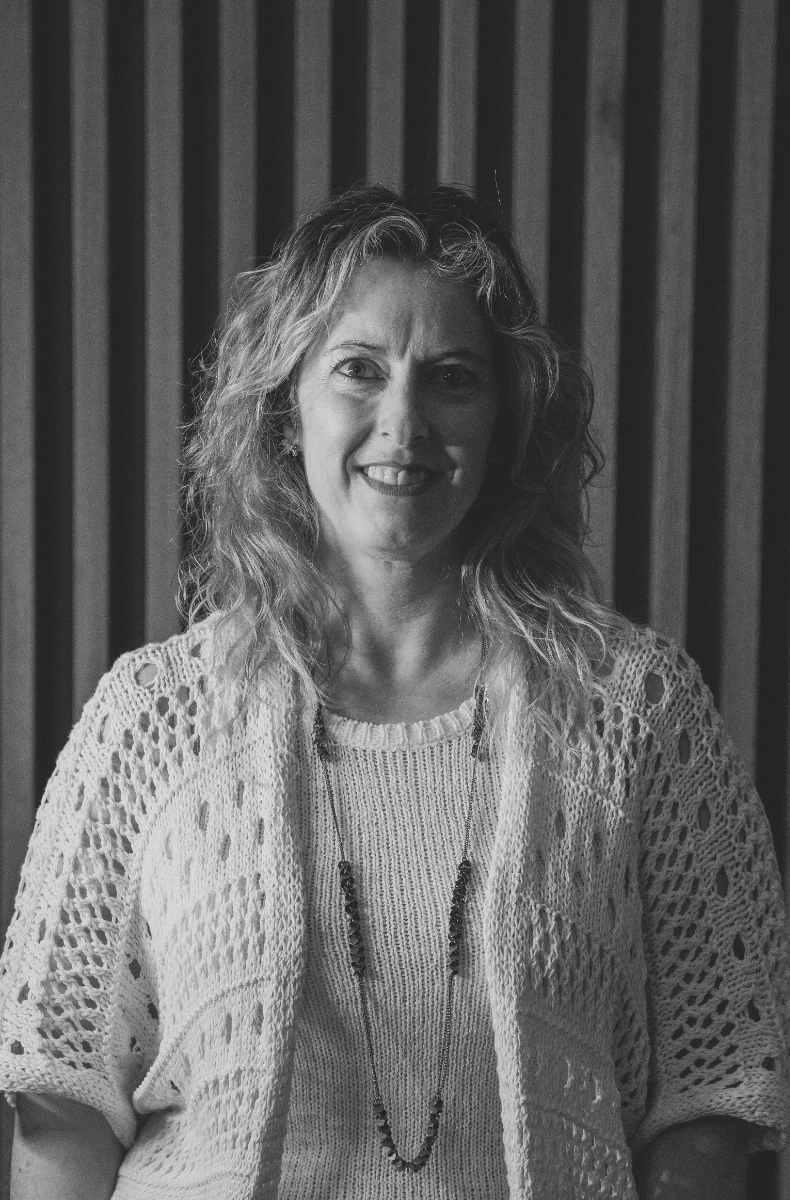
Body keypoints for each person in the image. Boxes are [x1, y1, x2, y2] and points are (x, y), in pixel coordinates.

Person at [1, 184, 788, 1200]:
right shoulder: (150, 718)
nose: (403, 422)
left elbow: (712, 1102)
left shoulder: (639, 714)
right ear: (287, 409)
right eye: (359, 370)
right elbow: (61, 1109)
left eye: (453, 379)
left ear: (505, 422)